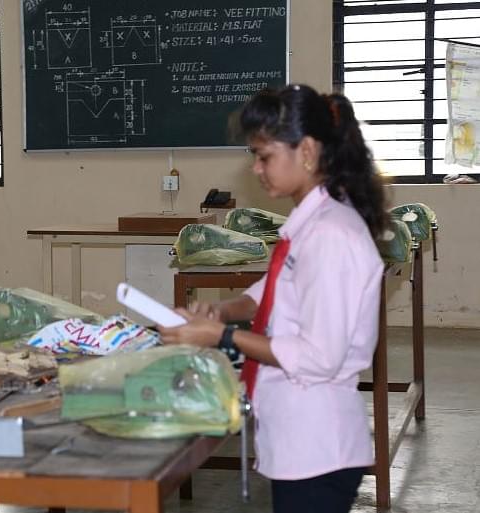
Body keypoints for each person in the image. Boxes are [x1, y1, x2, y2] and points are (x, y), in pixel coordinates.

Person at [158, 84, 388, 513]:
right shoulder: (309, 224)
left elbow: (320, 357)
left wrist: (222, 336)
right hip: (297, 439)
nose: (258, 170)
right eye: (255, 157)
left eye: (265, 156)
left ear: (306, 151)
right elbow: (271, 291)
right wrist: (223, 310)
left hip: (319, 448)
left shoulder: (331, 235)